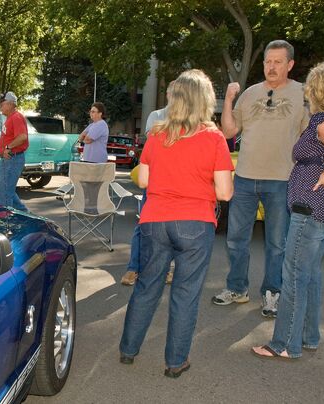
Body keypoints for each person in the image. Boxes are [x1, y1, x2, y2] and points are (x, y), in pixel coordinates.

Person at [119, 69, 234, 378]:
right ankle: (175, 362)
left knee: (147, 286)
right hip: (195, 223)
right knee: (185, 293)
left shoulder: (157, 133)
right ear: (205, 100)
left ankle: (128, 350)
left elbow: (143, 179)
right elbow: (224, 192)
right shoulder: (214, 139)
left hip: (154, 220)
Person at [252, 62, 324, 359]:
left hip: (310, 209)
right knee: (310, 273)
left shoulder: (323, 122)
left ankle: (284, 344)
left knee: (294, 277)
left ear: (316, 90)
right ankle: (309, 336)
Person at [212, 39, 310, 318]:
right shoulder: (250, 93)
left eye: (278, 61)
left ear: (290, 65)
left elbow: (310, 136)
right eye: (268, 61)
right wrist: (229, 98)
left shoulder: (302, 94)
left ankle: (272, 293)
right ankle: (236, 288)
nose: (271, 66)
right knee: (235, 240)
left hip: (281, 180)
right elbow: (229, 132)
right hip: (244, 178)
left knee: (277, 244)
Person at [121, 81, 175, 286]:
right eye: (174, 93)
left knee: (173, 229)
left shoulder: (191, 121)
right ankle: (134, 268)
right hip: (154, 183)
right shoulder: (156, 116)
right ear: (168, 95)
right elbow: (155, 143)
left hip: (177, 186)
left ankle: (168, 268)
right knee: (143, 225)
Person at [0, 91, 29, 212]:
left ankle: (5, 222)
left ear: (10, 104)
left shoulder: (16, 117)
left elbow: (22, 137)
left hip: (13, 159)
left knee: (3, 193)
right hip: (8, 160)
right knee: (8, 191)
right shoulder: (11, 118)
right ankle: (27, 216)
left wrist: (8, 148)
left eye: (2, 104)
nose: (0, 107)